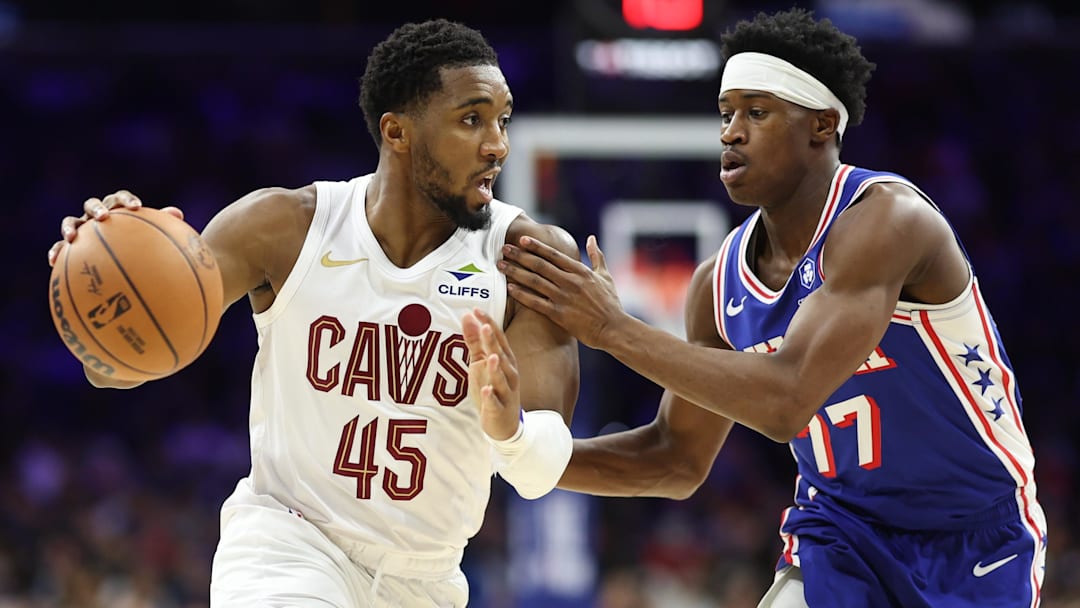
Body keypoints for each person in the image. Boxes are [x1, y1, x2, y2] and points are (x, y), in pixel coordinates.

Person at [463, 8, 1047, 608]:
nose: (730, 133)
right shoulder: (716, 283)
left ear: (821, 125)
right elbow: (675, 457)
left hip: (973, 532)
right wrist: (517, 450)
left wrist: (613, 328)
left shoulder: (887, 222)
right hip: (840, 531)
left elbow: (786, 401)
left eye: (756, 113)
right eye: (726, 114)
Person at [46, 18, 580, 608]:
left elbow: (538, 474)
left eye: (503, 120)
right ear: (397, 132)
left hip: (425, 577)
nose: (498, 144)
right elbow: (119, 366)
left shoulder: (527, 257)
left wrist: (512, 432)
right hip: (287, 545)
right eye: (472, 119)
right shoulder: (284, 226)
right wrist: (111, 275)